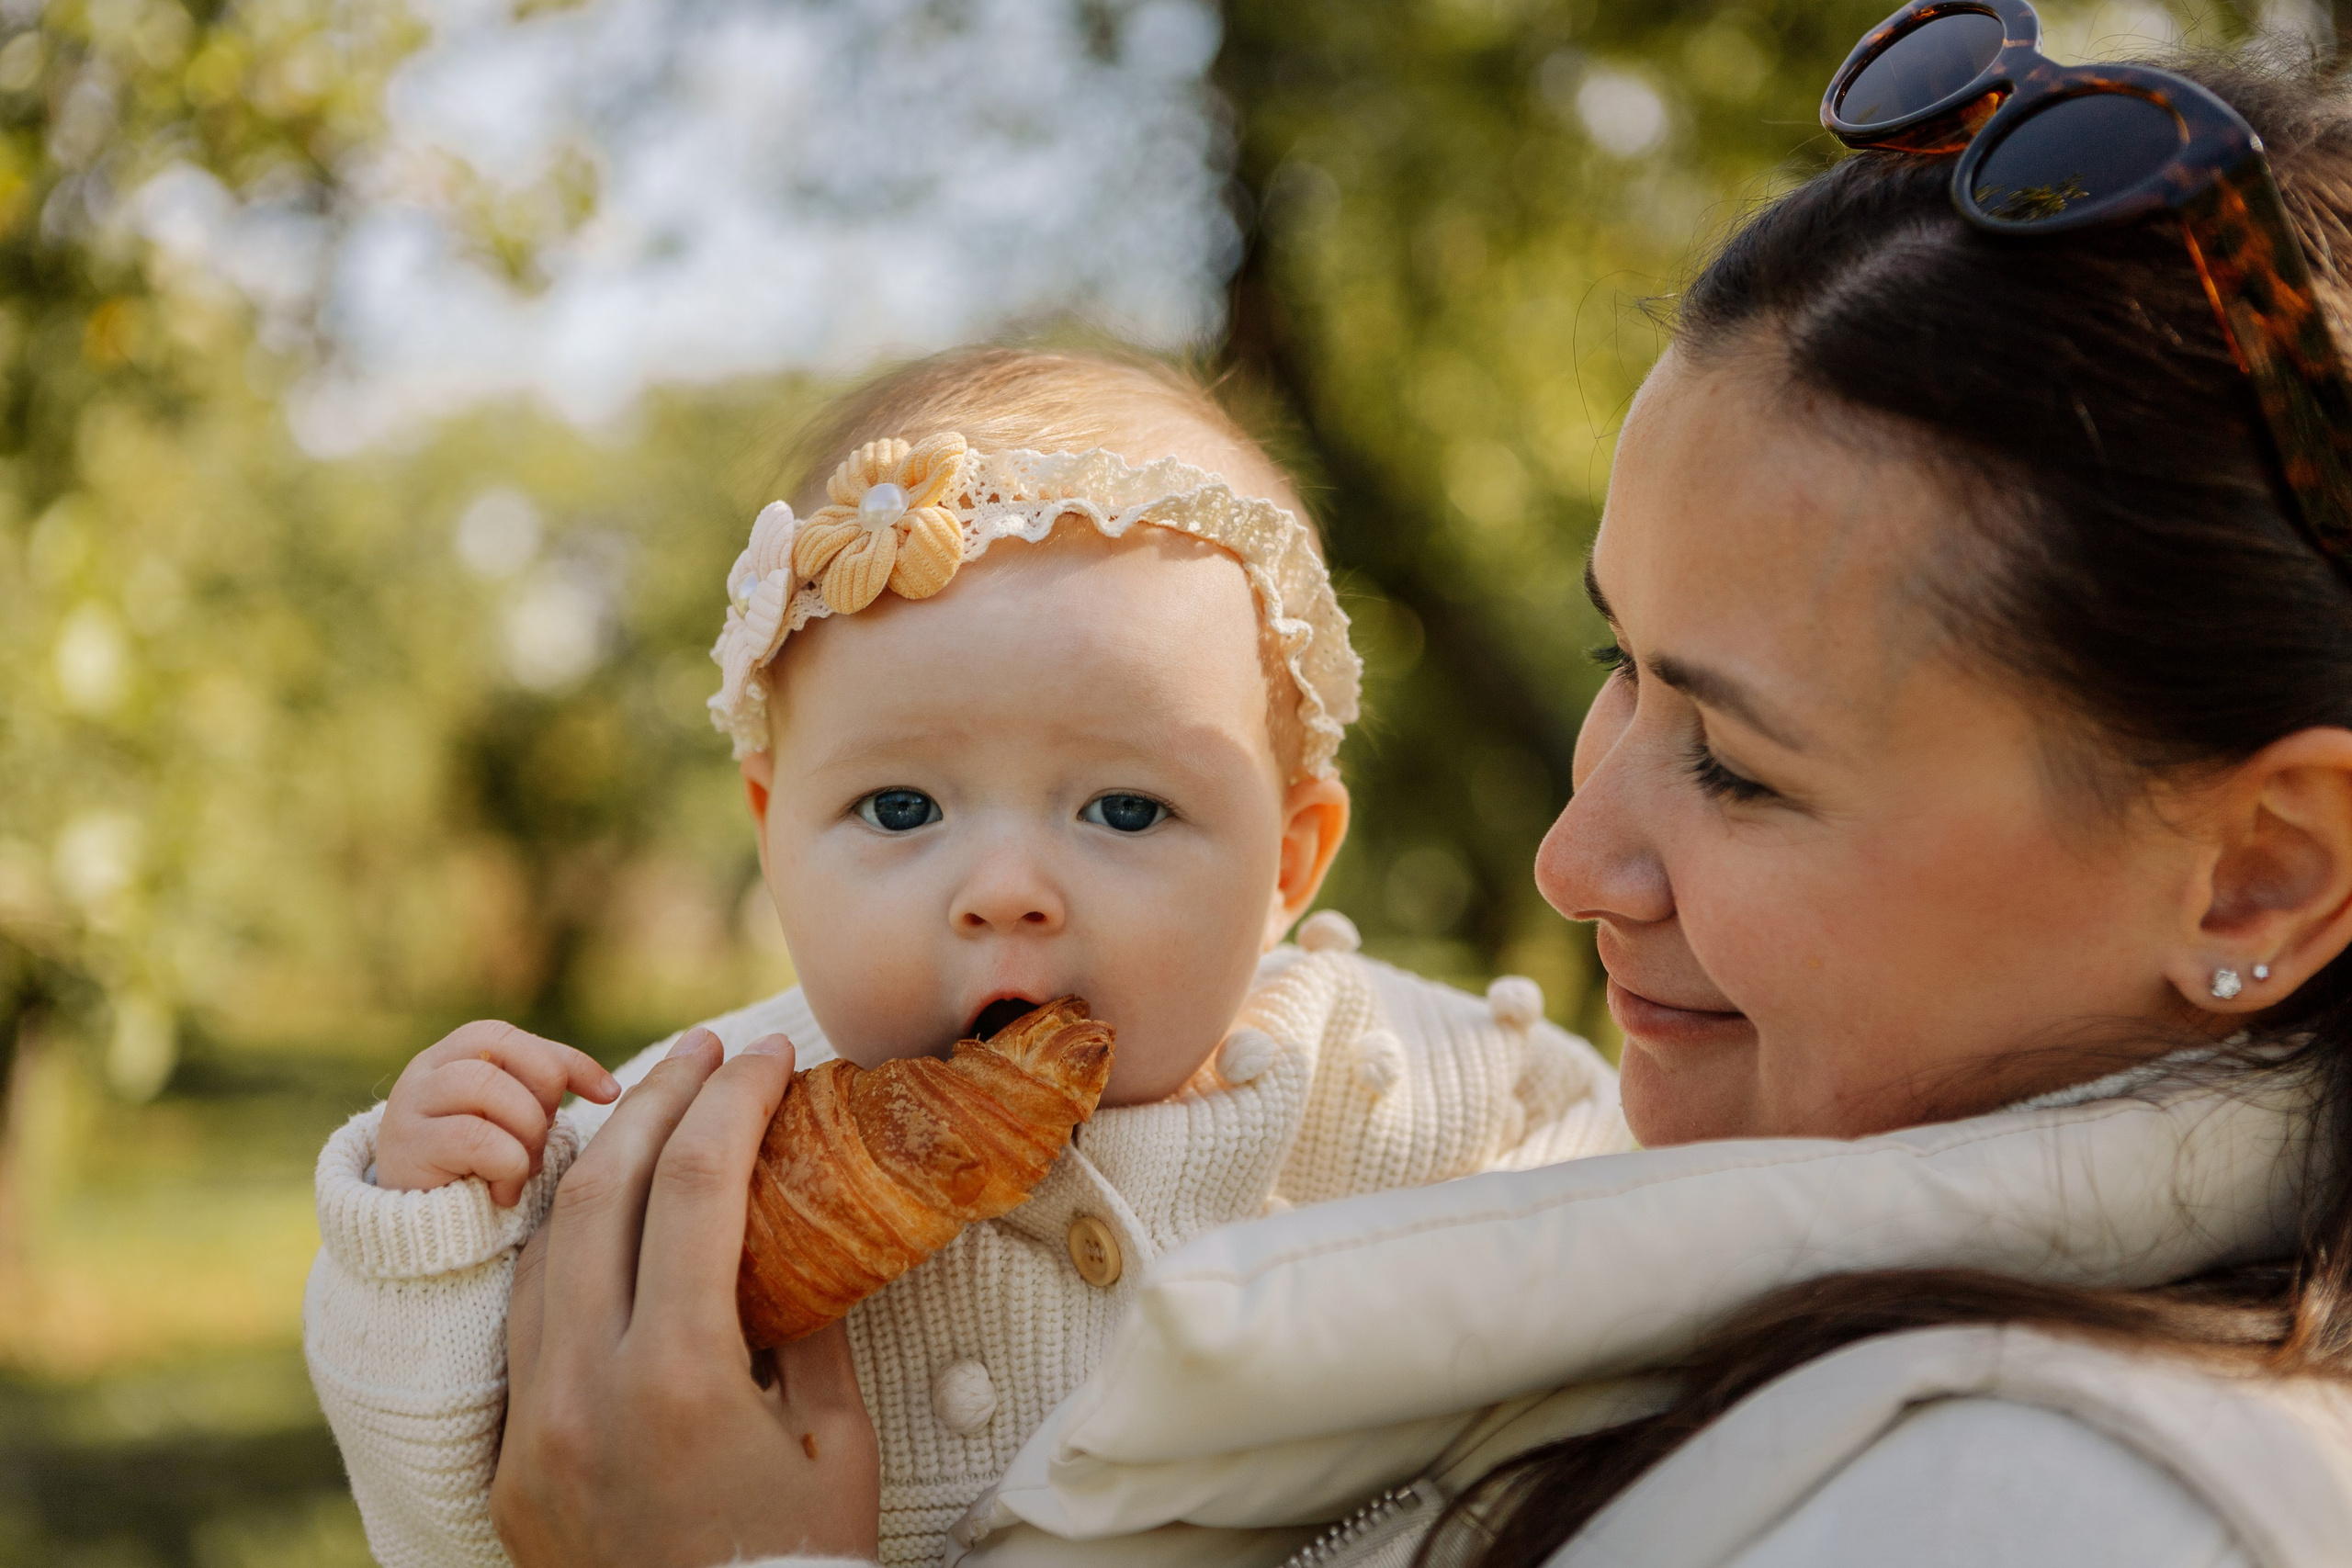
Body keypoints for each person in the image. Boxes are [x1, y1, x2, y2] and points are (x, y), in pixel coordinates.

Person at [487, 38, 2352, 1568]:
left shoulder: (2047, 1508)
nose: (1571, 855)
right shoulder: (1736, 1282)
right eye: (1616, 660)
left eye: (1733, 760)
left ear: (2258, 879)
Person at [301, 348, 1632, 1568]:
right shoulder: (717, 1152)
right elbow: (477, 1515)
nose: (1005, 892)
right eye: (900, 810)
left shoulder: (1391, 1075)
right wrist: (429, 1245)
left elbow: (1610, 1197)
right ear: (775, 837)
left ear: (1289, 865)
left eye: (1125, 810)